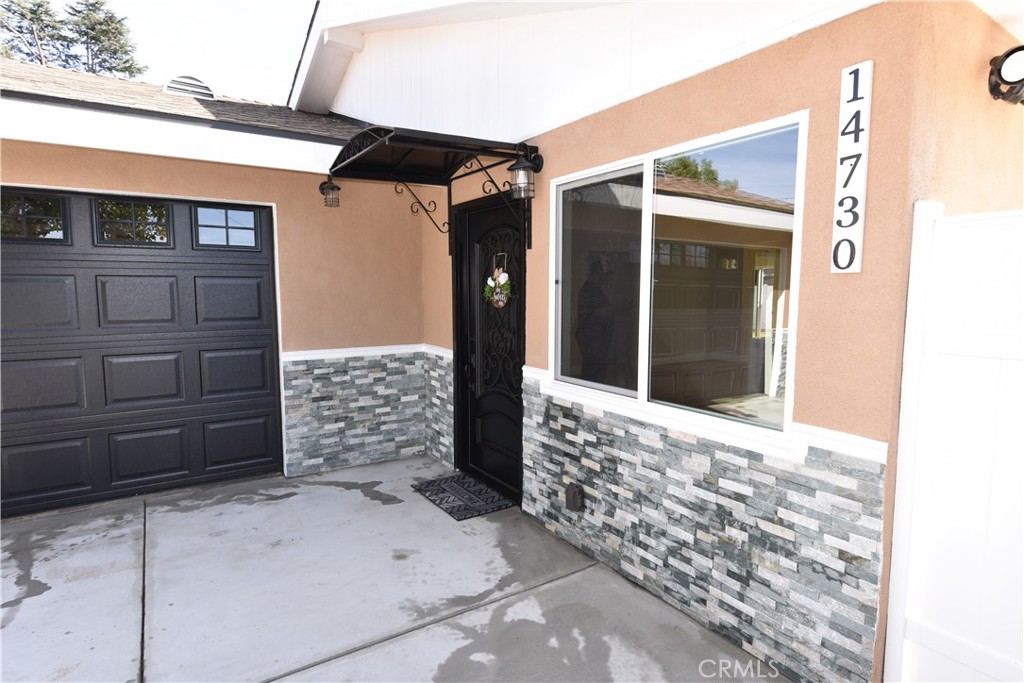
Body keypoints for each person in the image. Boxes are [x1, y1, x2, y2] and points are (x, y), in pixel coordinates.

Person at [576, 260, 613, 383]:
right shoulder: (588, 290)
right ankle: (589, 389)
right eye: (599, 273)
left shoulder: (597, 289)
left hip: (598, 336)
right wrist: (604, 311)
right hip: (590, 336)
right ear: (594, 273)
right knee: (591, 367)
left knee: (598, 367)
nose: (601, 277)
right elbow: (588, 314)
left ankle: (596, 387)